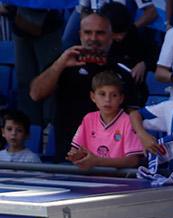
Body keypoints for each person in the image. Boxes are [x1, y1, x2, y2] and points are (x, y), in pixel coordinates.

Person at [30, 10, 144, 162]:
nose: (93, 38)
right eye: (88, 33)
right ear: (80, 34)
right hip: (68, 158)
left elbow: (133, 115)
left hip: (110, 162)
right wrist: (60, 64)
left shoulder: (123, 70)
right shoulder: (64, 62)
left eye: (100, 33)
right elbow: (35, 94)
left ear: (111, 36)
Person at [66, 69, 142, 172]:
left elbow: (133, 160)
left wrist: (97, 161)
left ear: (121, 98)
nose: (107, 100)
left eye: (114, 95)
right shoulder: (88, 118)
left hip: (120, 181)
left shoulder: (128, 121)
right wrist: (75, 156)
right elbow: (75, 150)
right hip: (91, 179)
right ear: (93, 97)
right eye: (102, 94)